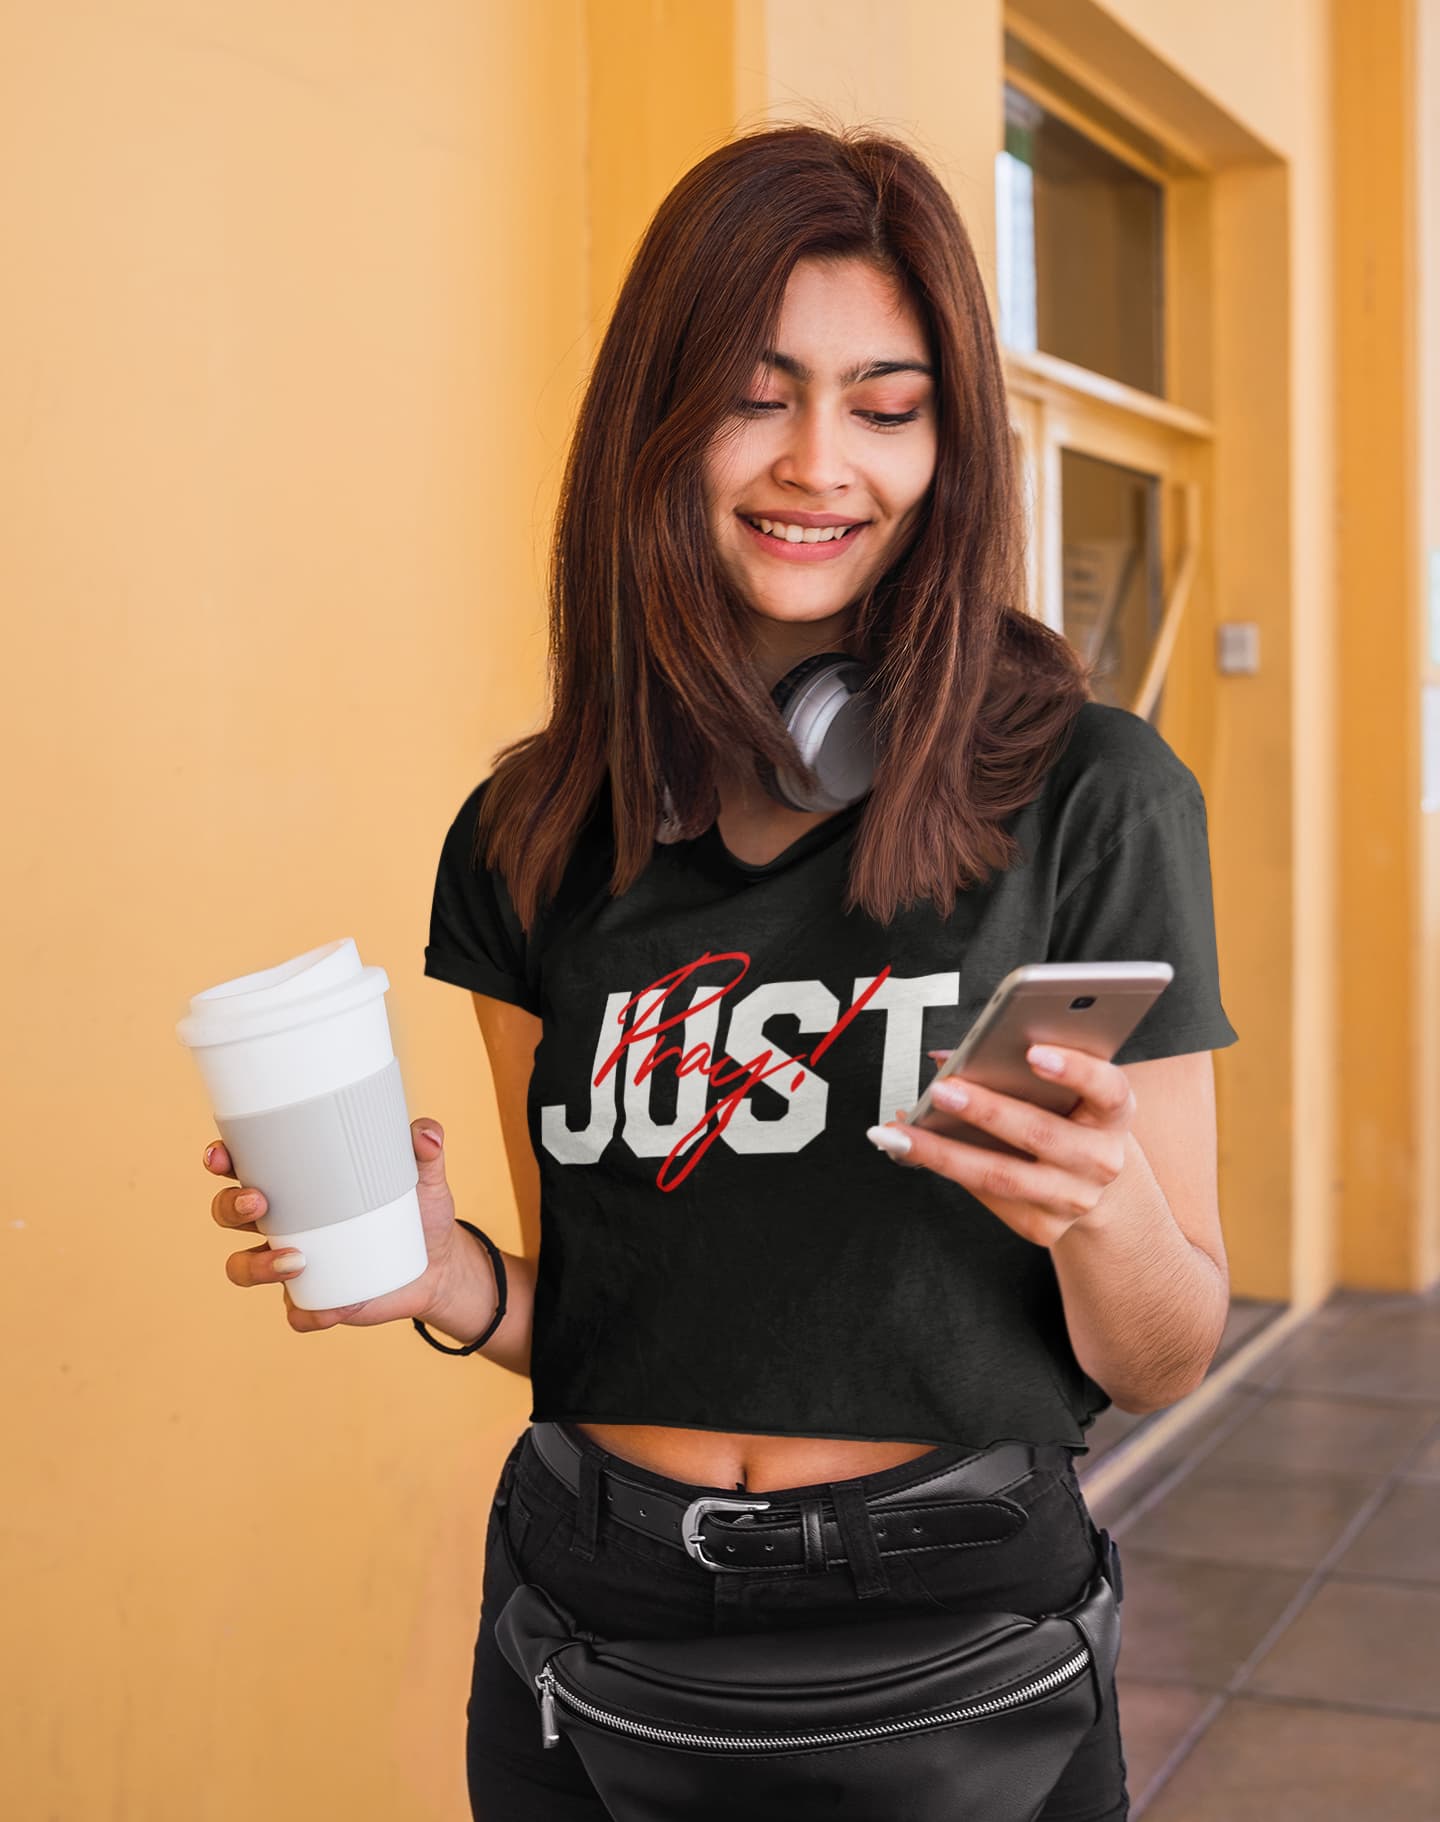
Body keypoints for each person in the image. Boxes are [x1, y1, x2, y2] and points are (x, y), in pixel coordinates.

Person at [204, 123, 1238, 1821]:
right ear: (659, 421)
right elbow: (597, 1319)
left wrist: (1103, 1210)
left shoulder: (1095, 796)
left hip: (961, 1632)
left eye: (888, 405)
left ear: (951, 444)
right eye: (761, 395)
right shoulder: (532, 827)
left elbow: (1167, 1350)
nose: (821, 461)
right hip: (589, 1626)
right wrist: (445, 1278)